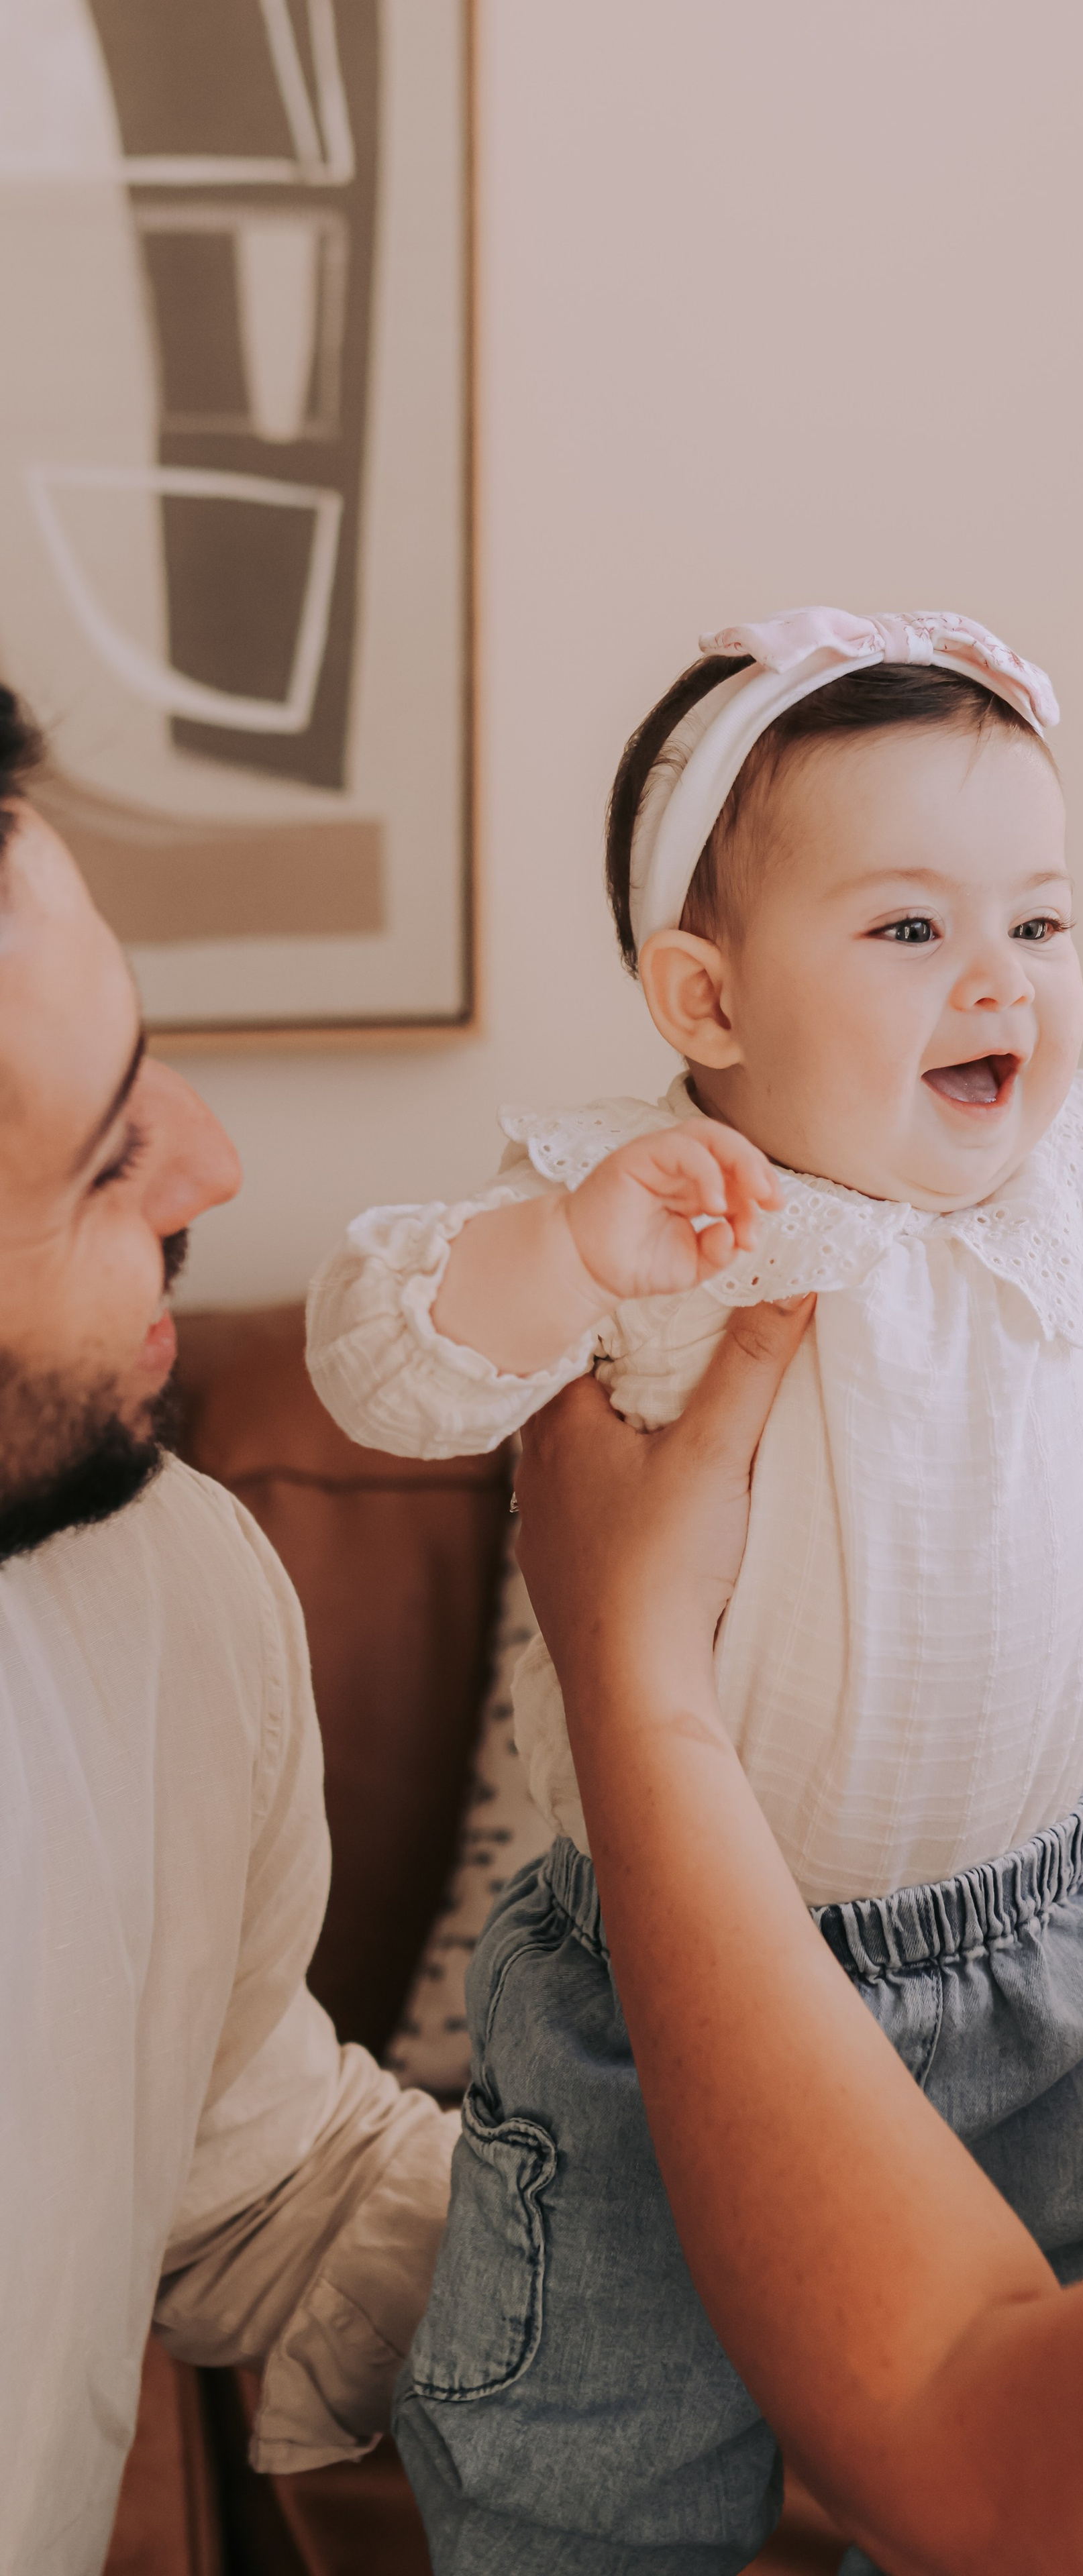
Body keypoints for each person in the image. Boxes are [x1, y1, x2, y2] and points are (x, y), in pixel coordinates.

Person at [310, 604, 1083, 2568]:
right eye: (910, 931)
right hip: (670, 1987)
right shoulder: (658, 1206)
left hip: (1033, 1958)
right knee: (591, 2469)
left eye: (1041, 925)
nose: (999, 981)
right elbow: (380, 1354)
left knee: (1055, 2463)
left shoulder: (1067, 1185)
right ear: (708, 1002)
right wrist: (561, 1259)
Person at [0, 690, 459, 2575]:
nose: (209, 1167)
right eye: (107, 1159)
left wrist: (813, 2296)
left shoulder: (163, 1591)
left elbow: (250, 2179)